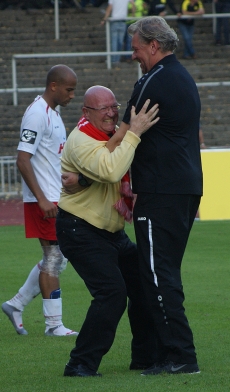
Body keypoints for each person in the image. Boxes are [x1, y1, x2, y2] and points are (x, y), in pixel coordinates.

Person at [118, 15, 203, 375]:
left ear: (154, 45)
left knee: (157, 274)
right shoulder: (182, 77)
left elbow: (119, 139)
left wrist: (80, 169)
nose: (133, 55)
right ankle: (160, 354)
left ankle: (181, 356)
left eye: (136, 48)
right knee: (162, 272)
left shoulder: (152, 83)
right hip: (184, 188)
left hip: (160, 190)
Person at [56, 85, 160, 377]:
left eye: (114, 106)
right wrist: (135, 132)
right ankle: (79, 364)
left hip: (109, 232)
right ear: (85, 113)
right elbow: (111, 170)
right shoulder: (80, 139)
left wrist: (85, 180)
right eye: (103, 108)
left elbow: (112, 155)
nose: (112, 112)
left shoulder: (111, 137)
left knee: (142, 284)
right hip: (80, 228)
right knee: (112, 293)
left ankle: (145, 358)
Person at [1, 65, 78, 337]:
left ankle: (16, 304)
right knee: (54, 258)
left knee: (59, 257)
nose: (72, 96)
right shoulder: (36, 114)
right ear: (54, 86)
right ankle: (53, 325)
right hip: (42, 201)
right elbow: (22, 159)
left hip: (55, 198)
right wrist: (43, 198)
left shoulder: (53, 113)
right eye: (69, 90)